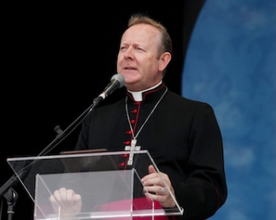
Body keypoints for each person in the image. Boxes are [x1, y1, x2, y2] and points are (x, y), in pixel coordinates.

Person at [50, 13, 227, 220]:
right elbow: (73, 182)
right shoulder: (96, 118)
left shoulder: (195, 114)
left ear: (163, 61)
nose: (128, 55)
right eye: (123, 48)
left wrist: (173, 195)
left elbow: (213, 188)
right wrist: (68, 203)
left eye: (139, 49)